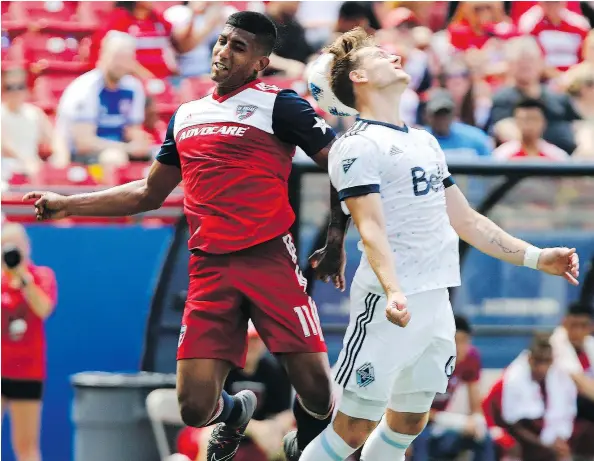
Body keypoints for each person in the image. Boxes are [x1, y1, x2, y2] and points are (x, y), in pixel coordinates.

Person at [23, 11, 349, 461]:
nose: (223, 52)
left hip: (268, 259)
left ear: (260, 62)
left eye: (238, 47)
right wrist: (68, 203)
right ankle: (235, 413)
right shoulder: (187, 114)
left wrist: (335, 240)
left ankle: (310, 445)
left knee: (315, 390)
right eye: (221, 41)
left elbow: (343, 164)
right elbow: (147, 192)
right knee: (195, 409)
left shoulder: (279, 103)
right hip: (209, 268)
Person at [298, 27, 580, 461]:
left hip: (436, 302)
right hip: (389, 305)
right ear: (357, 77)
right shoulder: (356, 145)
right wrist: (393, 290)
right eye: (379, 54)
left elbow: (465, 218)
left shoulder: (425, 141)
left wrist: (537, 257)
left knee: (410, 421)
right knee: (353, 427)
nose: (393, 56)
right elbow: (369, 228)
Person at [192, 322, 294, 461]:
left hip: (261, 431)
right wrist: (255, 428)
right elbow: (212, 416)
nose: (251, 345)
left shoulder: (274, 372)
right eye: (246, 339)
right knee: (210, 438)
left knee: (291, 441)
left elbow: (284, 412)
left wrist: (275, 427)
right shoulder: (220, 371)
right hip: (219, 427)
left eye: (255, 340)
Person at [1, 223, 58, 461]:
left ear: (28, 248)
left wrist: (23, 280)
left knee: (26, 446)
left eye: (17, 246)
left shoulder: (41, 276)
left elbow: (43, 308)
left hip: (28, 371)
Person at [55, 31, 151, 165]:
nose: (121, 65)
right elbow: (83, 143)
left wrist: (140, 143)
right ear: (103, 55)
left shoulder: (133, 87)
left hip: (120, 148)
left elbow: (133, 130)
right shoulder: (85, 88)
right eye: (117, 58)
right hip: (80, 156)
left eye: (126, 59)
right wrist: (127, 148)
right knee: (114, 158)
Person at [412, 315, 496, 461]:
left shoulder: (471, 358)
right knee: (421, 439)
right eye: (455, 341)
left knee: (484, 437)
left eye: (465, 341)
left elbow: (475, 404)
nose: (459, 348)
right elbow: (413, 409)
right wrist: (455, 421)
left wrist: (476, 421)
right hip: (416, 423)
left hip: (441, 426)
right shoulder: (424, 361)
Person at [489, 36, 581, 154]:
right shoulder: (502, 99)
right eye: (520, 62)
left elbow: (578, 125)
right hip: (524, 161)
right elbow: (504, 129)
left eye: (530, 60)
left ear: (540, 63)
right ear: (510, 65)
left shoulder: (558, 97)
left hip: (568, 160)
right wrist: (544, 151)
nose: (526, 65)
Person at [500, 333, 577, 461]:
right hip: (523, 435)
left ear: (552, 360)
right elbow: (514, 424)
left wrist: (559, 438)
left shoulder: (560, 376)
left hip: (549, 435)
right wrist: (545, 444)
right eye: (538, 361)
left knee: (564, 452)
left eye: (547, 361)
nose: (542, 367)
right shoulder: (514, 378)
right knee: (514, 448)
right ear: (530, 359)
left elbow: (567, 414)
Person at [1, 68, 54, 178]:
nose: (15, 92)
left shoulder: (35, 113)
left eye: (20, 87)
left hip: (32, 167)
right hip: (6, 169)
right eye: (10, 87)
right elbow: (4, 145)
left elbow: (53, 139)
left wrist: (59, 159)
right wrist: (26, 162)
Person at [424, 88, 492, 160]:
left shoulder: (475, 138)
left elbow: (490, 166)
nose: (442, 120)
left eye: (446, 114)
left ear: (453, 114)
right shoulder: (419, 141)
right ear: (427, 115)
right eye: (437, 115)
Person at [492, 98, 570, 160]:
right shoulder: (502, 155)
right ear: (516, 122)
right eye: (523, 119)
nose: (528, 125)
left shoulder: (557, 156)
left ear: (544, 122)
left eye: (533, 119)